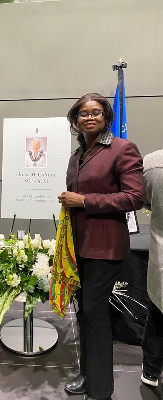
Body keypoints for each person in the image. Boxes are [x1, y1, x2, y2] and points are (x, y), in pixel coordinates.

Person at [58, 93, 144, 400]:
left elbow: (134, 198)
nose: (89, 117)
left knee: (94, 313)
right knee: (83, 312)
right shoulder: (77, 155)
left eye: (96, 112)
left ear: (106, 117)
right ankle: (87, 373)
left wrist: (84, 201)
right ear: (76, 120)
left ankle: (101, 389)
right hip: (78, 247)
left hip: (105, 247)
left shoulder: (122, 149)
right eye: (83, 114)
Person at [141, 149, 163, 387]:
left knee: (158, 313)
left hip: (161, 251)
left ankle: (151, 370)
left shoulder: (153, 162)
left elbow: (144, 199)